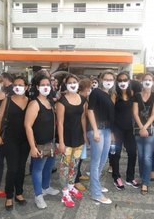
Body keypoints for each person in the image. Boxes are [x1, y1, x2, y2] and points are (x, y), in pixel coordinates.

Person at [0, 76, 30, 211]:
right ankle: (9, 195)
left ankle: (19, 193)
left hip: (25, 140)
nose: (18, 87)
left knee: (21, 168)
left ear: (26, 87)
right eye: (16, 85)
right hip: (10, 139)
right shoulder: (7, 100)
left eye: (21, 85)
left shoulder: (30, 101)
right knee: (12, 168)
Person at [24, 75, 59, 209]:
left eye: (48, 85)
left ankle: (46, 187)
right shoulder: (34, 103)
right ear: (37, 87)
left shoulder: (50, 102)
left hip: (51, 141)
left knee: (49, 166)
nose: (46, 87)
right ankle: (38, 195)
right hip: (39, 143)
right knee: (37, 169)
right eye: (43, 85)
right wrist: (32, 147)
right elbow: (28, 126)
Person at [56, 74, 87, 207]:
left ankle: (70, 186)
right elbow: (60, 123)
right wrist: (61, 142)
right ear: (66, 85)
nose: (73, 84)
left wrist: (85, 135)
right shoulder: (62, 101)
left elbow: (83, 119)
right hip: (66, 139)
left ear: (78, 83)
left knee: (74, 165)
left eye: (75, 82)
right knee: (64, 166)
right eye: (70, 82)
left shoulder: (83, 99)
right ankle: (65, 192)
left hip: (78, 137)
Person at [87, 70, 115, 204]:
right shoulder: (96, 92)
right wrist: (95, 130)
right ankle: (96, 193)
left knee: (103, 160)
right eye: (106, 78)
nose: (108, 81)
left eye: (111, 79)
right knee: (96, 161)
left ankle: (95, 184)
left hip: (107, 130)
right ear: (101, 79)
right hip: (97, 130)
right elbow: (90, 110)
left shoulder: (109, 94)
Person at [133, 72, 154, 195]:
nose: (148, 81)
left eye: (150, 79)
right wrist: (141, 127)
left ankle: (145, 182)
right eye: (145, 79)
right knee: (140, 155)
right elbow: (135, 113)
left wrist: (145, 127)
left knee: (147, 156)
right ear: (142, 81)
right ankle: (143, 176)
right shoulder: (137, 96)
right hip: (138, 129)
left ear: (153, 81)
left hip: (152, 128)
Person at [110, 72, 138, 191]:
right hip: (117, 128)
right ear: (117, 82)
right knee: (116, 154)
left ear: (129, 81)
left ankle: (130, 177)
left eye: (125, 80)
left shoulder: (132, 94)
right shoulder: (114, 95)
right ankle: (116, 177)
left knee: (132, 152)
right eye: (120, 80)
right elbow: (110, 114)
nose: (122, 82)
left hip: (129, 129)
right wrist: (111, 132)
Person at [74, 78, 92, 192]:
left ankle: (78, 174)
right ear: (86, 88)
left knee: (80, 156)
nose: (90, 90)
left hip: (81, 129)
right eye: (89, 88)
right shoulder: (81, 99)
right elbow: (84, 116)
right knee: (77, 157)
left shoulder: (84, 98)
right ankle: (75, 180)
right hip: (78, 130)